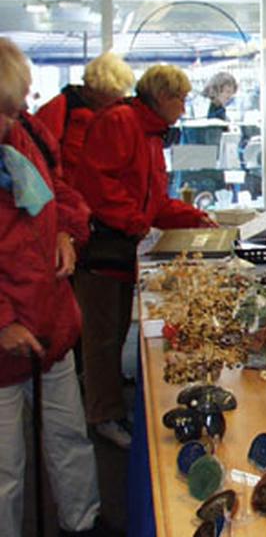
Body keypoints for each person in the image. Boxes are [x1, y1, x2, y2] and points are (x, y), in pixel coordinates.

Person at [0, 38, 115, 537]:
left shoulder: (27, 134)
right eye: (4, 110)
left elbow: (61, 192)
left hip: (52, 321)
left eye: (16, 105)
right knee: (5, 467)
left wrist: (68, 231)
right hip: (8, 338)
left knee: (70, 436)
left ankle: (82, 522)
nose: (16, 117)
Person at [72, 64, 215, 449]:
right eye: (181, 99)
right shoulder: (122, 122)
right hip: (105, 249)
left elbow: (153, 199)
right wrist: (135, 222)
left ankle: (110, 406)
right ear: (163, 97)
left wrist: (191, 215)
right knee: (103, 338)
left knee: (114, 334)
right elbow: (97, 183)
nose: (184, 108)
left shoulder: (149, 132)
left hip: (122, 248)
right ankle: (103, 415)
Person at [35, 51, 134, 184]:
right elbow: (40, 156)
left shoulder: (118, 114)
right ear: (92, 88)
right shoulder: (59, 109)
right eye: (108, 96)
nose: (111, 104)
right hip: (66, 193)